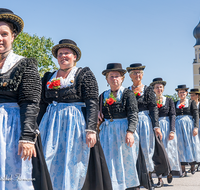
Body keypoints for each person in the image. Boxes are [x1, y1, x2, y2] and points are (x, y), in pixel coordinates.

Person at [37, 39, 112, 190]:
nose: (63, 56)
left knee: (73, 159)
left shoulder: (84, 74)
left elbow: (92, 102)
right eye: (60, 54)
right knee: (48, 158)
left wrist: (91, 129)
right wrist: (36, 127)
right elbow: (42, 103)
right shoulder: (48, 76)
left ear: (75, 56)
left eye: (67, 53)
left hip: (74, 124)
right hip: (50, 125)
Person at [0, 8, 52, 190]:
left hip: (13, 128)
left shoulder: (25, 64)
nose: (0, 38)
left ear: (13, 36)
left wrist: (28, 137)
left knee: (16, 177)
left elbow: (30, 102)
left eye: (4, 34)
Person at [126, 63, 171, 189]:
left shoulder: (148, 90)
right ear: (130, 75)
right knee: (132, 150)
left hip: (145, 121)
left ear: (143, 74)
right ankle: (134, 179)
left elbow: (153, 108)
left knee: (147, 149)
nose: (137, 75)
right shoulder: (127, 90)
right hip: (131, 122)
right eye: (134, 72)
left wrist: (156, 126)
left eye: (139, 72)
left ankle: (149, 179)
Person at [98, 63, 140, 190]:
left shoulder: (128, 94)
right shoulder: (102, 96)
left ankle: (130, 186)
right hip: (107, 132)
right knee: (109, 160)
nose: (114, 79)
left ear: (122, 78)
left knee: (126, 161)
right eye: (111, 76)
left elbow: (133, 113)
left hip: (124, 130)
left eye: (117, 76)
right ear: (106, 79)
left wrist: (130, 132)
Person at [150, 78, 181, 187]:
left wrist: (172, 130)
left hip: (167, 127)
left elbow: (172, 115)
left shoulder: (169, 100)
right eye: (157, 87)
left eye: (161, 87)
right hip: (155, 128)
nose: (159, 89)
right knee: (158, 153)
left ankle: (169, 171)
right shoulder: (151, 101)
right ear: (153, 89)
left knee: (169, 151)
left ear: (163, 89)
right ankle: (159, 178)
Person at [175, 85, 200, 177]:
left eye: (183, 92)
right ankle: (182, 169)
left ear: (186, 93)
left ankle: (193, 165)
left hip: (189, 126)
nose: (182, 94)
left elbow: (196, 115)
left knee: (190, 144)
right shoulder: (175, 103)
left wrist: (196, 127)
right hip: (178, 127)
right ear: (178, 94)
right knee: (180, 146)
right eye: (180, 92)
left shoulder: (191, 102)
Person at [189, 88, 200, 172]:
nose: (191, 96)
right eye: (190, 95)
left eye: (193, 95)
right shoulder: (190, 104)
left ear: (197, 96)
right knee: (194, 144)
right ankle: (194, 163)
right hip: (193, 124)